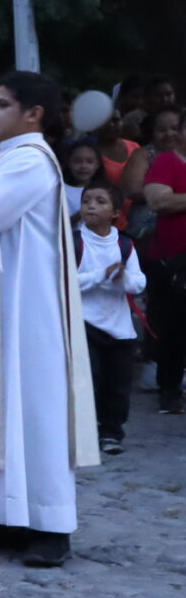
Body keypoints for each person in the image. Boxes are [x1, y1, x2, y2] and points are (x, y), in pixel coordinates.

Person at [0, 73, 98, 568]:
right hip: (4, 304)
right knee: (6, 409)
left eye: (2, 104)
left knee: (37, 411)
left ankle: (52, 522)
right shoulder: (4, 159)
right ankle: (10, 516)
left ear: (34, 113)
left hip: (31, 308)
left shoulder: (30, 161)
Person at [75, 184, 145, 457]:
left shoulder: (124, 244)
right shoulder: (75, 242)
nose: (91, 205)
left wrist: (121, 279)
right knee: (88, 380)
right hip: (85, 324)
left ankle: (111, 432)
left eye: (100, 201)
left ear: (115, 213)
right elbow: (66, 281)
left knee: (117, 384)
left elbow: (138, 282)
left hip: (119, 328)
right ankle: (84, 432)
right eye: (87, 200)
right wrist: (102, 276)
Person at [123, 106, 186, 415]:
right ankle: (170, 390)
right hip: (174, 260)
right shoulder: (166, 161)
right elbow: (158, 199)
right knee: (174, 326)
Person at [62, 140, 101, 217]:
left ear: (97, 164)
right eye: (77, 161)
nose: (83, 166)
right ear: (68, 163)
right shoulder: (61, 191)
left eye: (89, 161)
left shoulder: (105, 190)